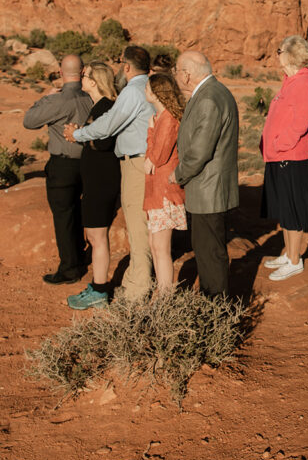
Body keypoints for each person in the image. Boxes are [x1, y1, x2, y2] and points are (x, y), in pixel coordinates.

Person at [66, 46, 155, 301]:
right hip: (137, 162)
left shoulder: (132, 91)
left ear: (126, 67)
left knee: (138, 227)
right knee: (139, 225)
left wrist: (78, 134)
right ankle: (133, 281)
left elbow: (109, 125)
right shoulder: (145, 87)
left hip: (135, 163)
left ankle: (138, 290)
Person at [173, 51, 239, 297]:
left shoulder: (208, 98)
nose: (176, 75)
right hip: (209, 189)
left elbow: (199, 151)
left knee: (209, 252)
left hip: (208, 191)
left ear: (187, 74)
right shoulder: (213, 92)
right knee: (208, 250)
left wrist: (178, 175)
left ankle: (217, 311)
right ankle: (214, 304)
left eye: (177, 70)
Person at [24, 54, 92, 284]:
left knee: (64, 215)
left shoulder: (58, 100)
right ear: (82, 72)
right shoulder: (91, 98)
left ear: (61, 73)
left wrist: (44, 98)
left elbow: (29, 121)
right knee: (78, 211)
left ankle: (70, 268)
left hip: (62, 165)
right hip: (87, 164)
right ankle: (80, 257)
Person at [261, 36, 308, 282]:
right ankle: (288, 254)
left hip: (291, 157)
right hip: (279, 157)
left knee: (292, 211)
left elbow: (300, 123)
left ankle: (295, 260)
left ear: (290, 54)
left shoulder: (302, 83)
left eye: (279, 49)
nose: (276, 54)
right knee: (284, 209)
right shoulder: (290, 81)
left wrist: (279, 144)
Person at [67, 62, 120, 310]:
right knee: (95, 235)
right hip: (97, 180)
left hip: (101, 181)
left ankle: (99, 290)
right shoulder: (100, 107)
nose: (81, 77)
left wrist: (80, 134)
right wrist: (83, 132)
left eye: (85, 75)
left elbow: (104, 143)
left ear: (94, 80)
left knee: (98, 237)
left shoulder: (106, 107)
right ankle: (97, 286)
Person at [143, 72, 187, 292]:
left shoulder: (167, 119)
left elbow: (158, 157)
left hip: (164, 192)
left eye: (148, 88)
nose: (145, 91)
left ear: (156, 92)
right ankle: (163, 294)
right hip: (157, 190)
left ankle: (165, 297)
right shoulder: (162, 117)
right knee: (155, 245)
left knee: (161, 247)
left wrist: (150, 132)